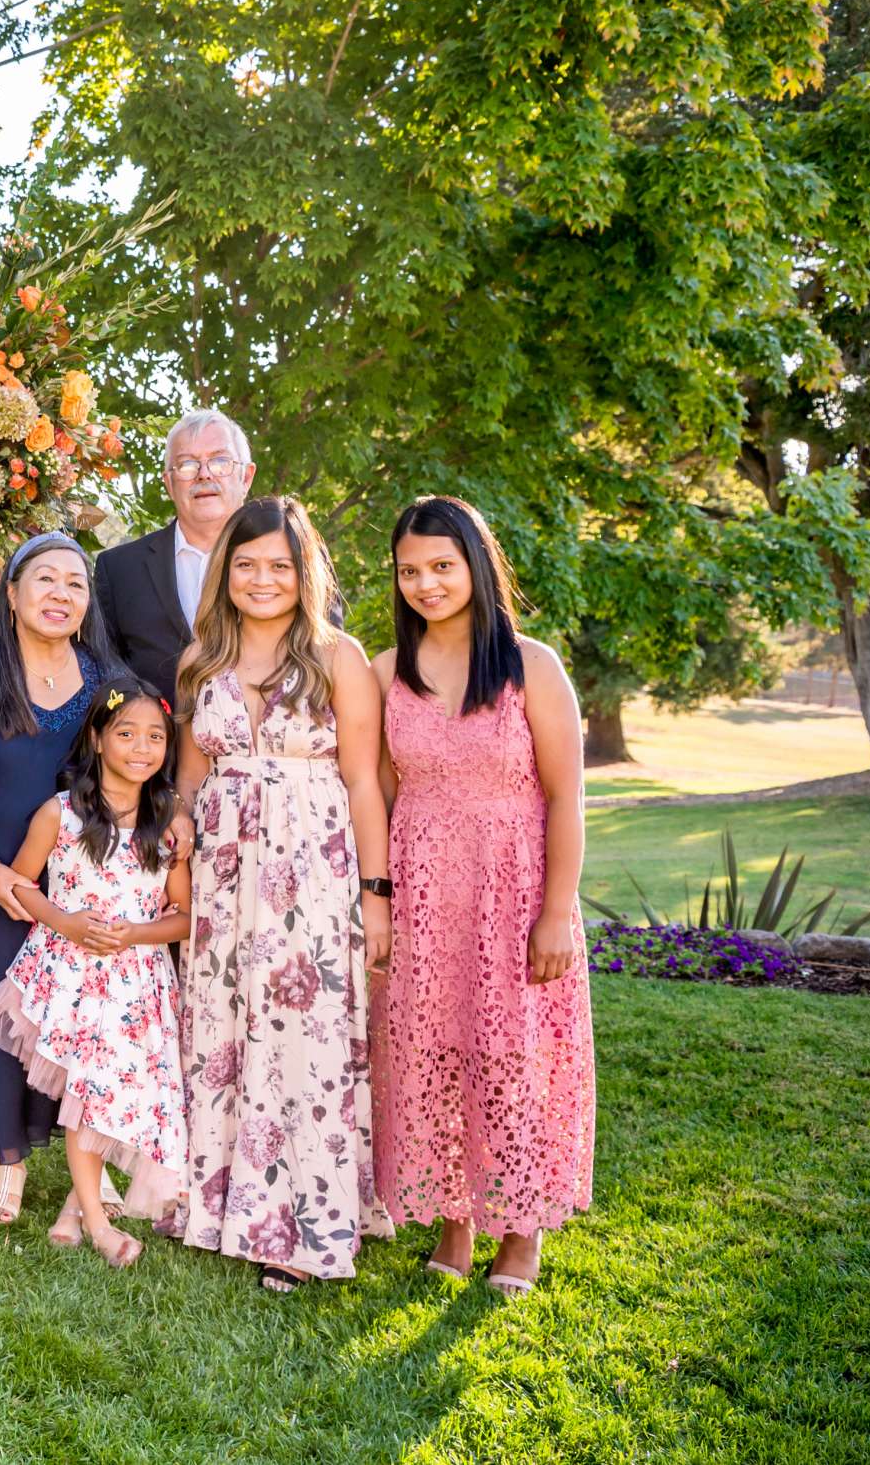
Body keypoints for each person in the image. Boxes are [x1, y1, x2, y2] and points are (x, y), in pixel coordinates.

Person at [172, 495, 394, 1291]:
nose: (262, 579)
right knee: (226, 1031)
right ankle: (218, 1203)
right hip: (226, 882)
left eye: (280, 565)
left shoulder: (340, 658)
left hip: (313, 875)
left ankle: (303, 1223)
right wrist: (177, 837)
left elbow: (365, 783)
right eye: (246, 565)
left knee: (307, 1035)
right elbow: (189, 779)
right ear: (224, 572)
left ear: (306, 573)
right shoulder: (199, 657)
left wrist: (375, 895)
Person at [374, 495, 594, 1296]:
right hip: (428, 893)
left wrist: (556, 911)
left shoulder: (532, 665)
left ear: (476, 564)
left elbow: (567, 796)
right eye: (410, 570)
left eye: (442, 565)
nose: (426, 583)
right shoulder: (386, 672)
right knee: (434, 1051)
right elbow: (382, 791)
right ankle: (454, 1216)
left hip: (515, 888)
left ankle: (520, 1227)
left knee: (514, 1055)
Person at [0, 533, 123, 1234]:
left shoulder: (111, 684)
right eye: (43, 579)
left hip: (86, 888)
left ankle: (92, 1160)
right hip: (3, 879)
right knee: (0, 1014)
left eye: (74, 583)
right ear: (11, 594)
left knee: (85, 1020)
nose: (59, 594)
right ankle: (8, 1159)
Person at [0, 685, 191, 1267]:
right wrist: (67, 923)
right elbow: (19, 885)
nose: (141, 747)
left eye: (155, 737)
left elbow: (185, 917)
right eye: (125, 733)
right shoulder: (61, 814)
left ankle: (77, 1202)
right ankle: (99, 1224)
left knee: (115, 1096)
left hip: (137, 983)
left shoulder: (166, 827)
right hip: (73, 975)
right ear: (97, 740)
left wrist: (134, 934)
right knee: (87, 1095)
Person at [94, 408, 258, 700]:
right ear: (169, 483)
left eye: (220, 461)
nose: (204, 474)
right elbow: (104, 679)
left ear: (246, 477)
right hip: (158, 744)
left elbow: (324, 664)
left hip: (268, 745)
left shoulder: (291, 562)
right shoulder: (118, 570)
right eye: (186, 465)